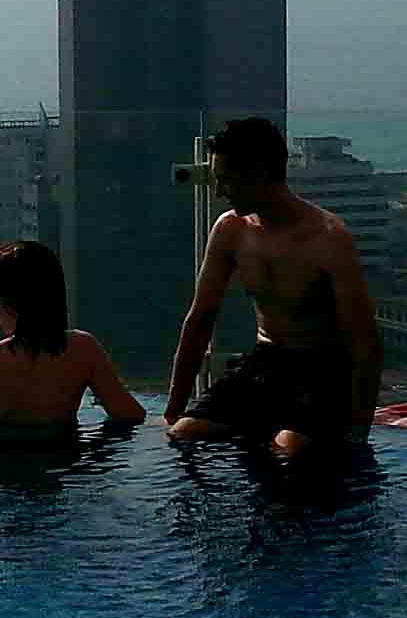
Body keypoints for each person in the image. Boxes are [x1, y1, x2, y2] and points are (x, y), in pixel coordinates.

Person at [163, 117, 381, 458]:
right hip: (265, 363)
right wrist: (174, 408)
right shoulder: (231, 230)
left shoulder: (328, 238)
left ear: (259, 173)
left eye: (225, 180)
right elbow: (201, 318)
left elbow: (365, 340)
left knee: (289, 449)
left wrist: (358, 431)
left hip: (322, 370)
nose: (219, 191)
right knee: (186, 434)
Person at [0, 240, 144, 430]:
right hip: (66, 464)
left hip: (1, 466)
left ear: (9, 302)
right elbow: (130, 414)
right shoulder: (84, 349)